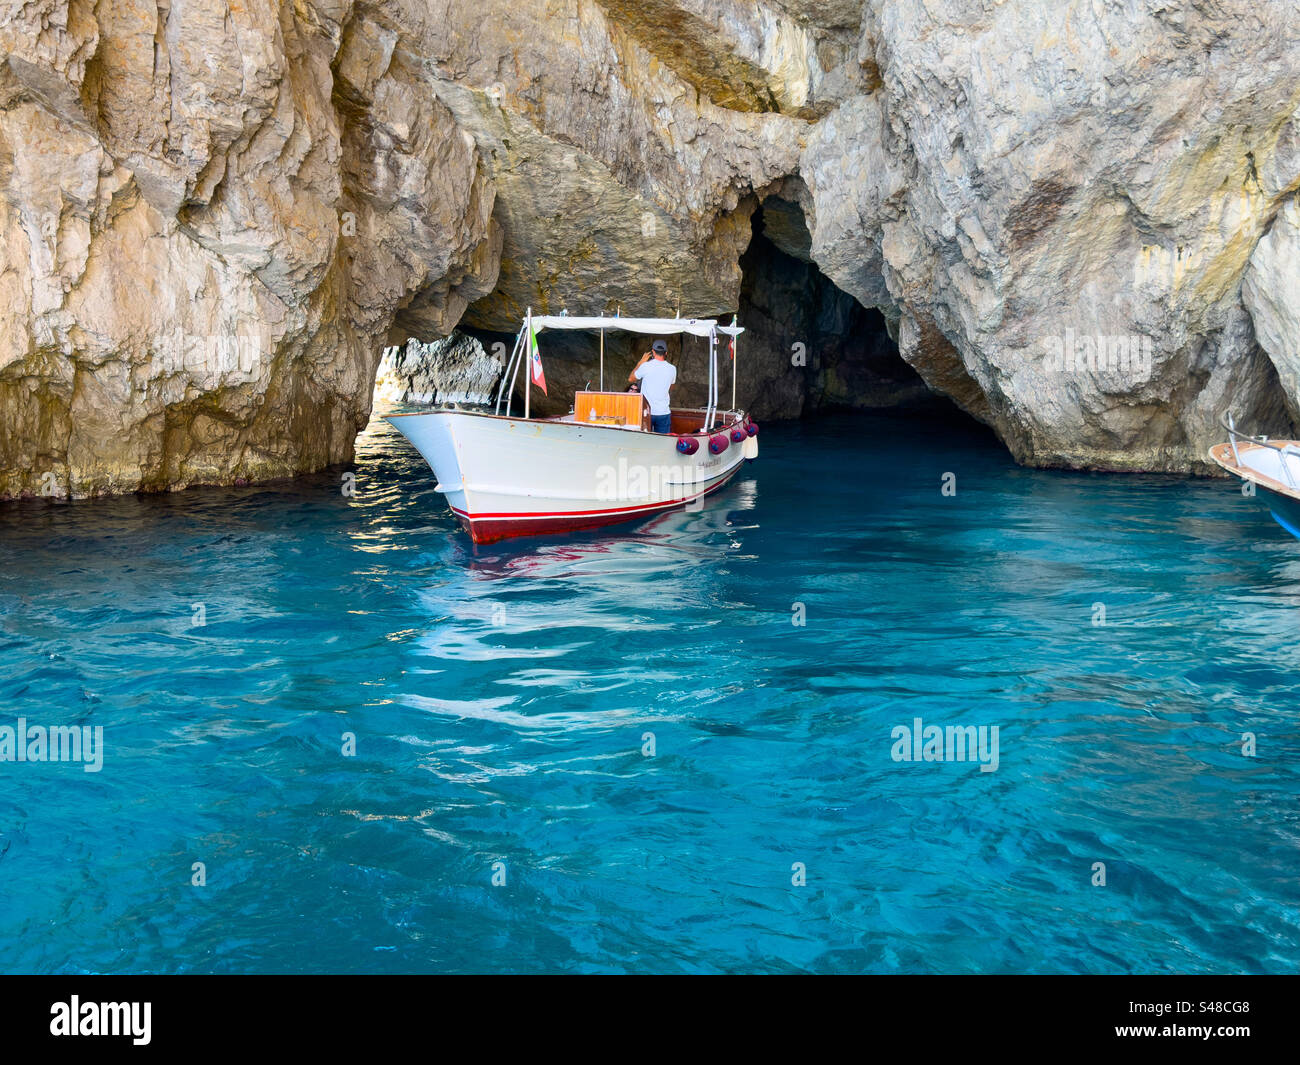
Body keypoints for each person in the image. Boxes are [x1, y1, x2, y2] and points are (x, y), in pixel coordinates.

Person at [629, 339, 677, 433]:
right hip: (663, 411)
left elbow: (631, 379)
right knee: (663, 442)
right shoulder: (672, 369)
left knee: (645, 442)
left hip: (647, 412)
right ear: (666, 353)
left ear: (653, 352)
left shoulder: (646, 366)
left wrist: (641, 362)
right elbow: (671, 387)